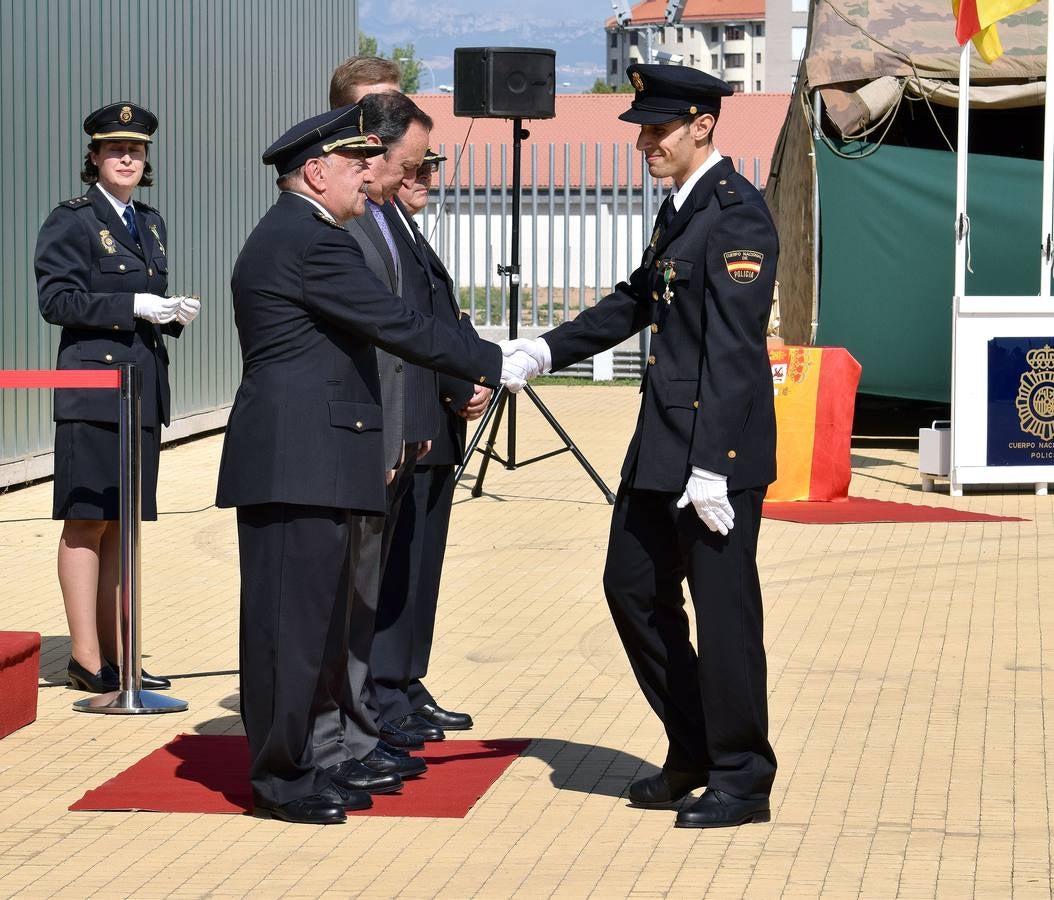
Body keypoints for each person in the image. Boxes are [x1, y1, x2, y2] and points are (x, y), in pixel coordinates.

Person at [215, 104, 525, 825]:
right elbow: (395, 323)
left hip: (311, 457)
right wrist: (495, 358)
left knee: (312, 630)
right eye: (357, 164)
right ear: (316, 172)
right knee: (288, 633)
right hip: (296, 460)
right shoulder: (310, 240)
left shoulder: (309, 231)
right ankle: (281, 779)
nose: (370, 174)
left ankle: (304, 764)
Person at [504, 64, 779, 829]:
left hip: (711, 456)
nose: (645, 144)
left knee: (725, 616)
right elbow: (638, 298)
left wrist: (712, 467)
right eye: (642, 130)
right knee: (630, 587)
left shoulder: (735, 215)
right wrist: (544, 350)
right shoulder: (682, 210)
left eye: (659, 129)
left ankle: (742, 775)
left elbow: (732, 350)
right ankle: (692, 746)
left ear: (702, 125)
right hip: (662, 443)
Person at [35, 102, 201, 694]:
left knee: (123, 525)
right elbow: (58, 303)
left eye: (135, 149)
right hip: (93, 387)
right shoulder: (72, 221)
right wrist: (131, 307)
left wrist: (170, 314)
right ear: (95, 157)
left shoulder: (149, 221)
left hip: (140, 388)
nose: (126, 157)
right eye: (114, 149)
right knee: (87, 521)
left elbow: (144, 300)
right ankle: (86, 658)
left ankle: (122, 658)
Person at [369, 148, 489, 733]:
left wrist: (472, 377)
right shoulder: (375, 224)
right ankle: (386, 691)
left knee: (421, 566)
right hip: (411, 418)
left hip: (435, 419)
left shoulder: (406, 230)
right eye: (414, 166)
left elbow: (442, 317)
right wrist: (456, 382)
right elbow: (404, 329)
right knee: (395, 570)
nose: (425, 178)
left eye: (431, 167)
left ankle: (406, 681)